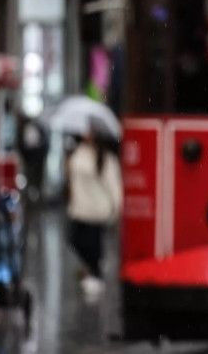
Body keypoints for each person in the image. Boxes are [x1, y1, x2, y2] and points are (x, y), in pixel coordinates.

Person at [66, 125, 122, 300]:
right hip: (79, 209)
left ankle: (94, 274)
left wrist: (116, 210)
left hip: (97, 210)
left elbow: (114, 186)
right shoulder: (77, 153)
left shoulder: (106, 158)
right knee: (75, 239)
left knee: (92, 244)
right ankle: (92, 269)